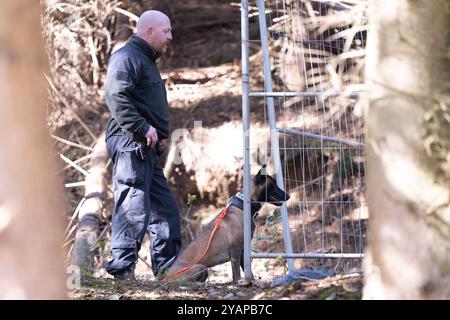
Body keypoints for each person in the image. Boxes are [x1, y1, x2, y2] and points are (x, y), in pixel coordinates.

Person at [104, 10, 181, 280]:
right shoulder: (126, 57)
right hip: (129, 143)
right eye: (166, 31)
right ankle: (123, 270)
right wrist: (142, 127)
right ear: (149, 31)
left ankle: (168, 269)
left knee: (164, 209)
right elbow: (115, 97)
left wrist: (155, 133)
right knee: (133, 203)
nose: (170, 37)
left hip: (145, 148)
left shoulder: (145, 60)